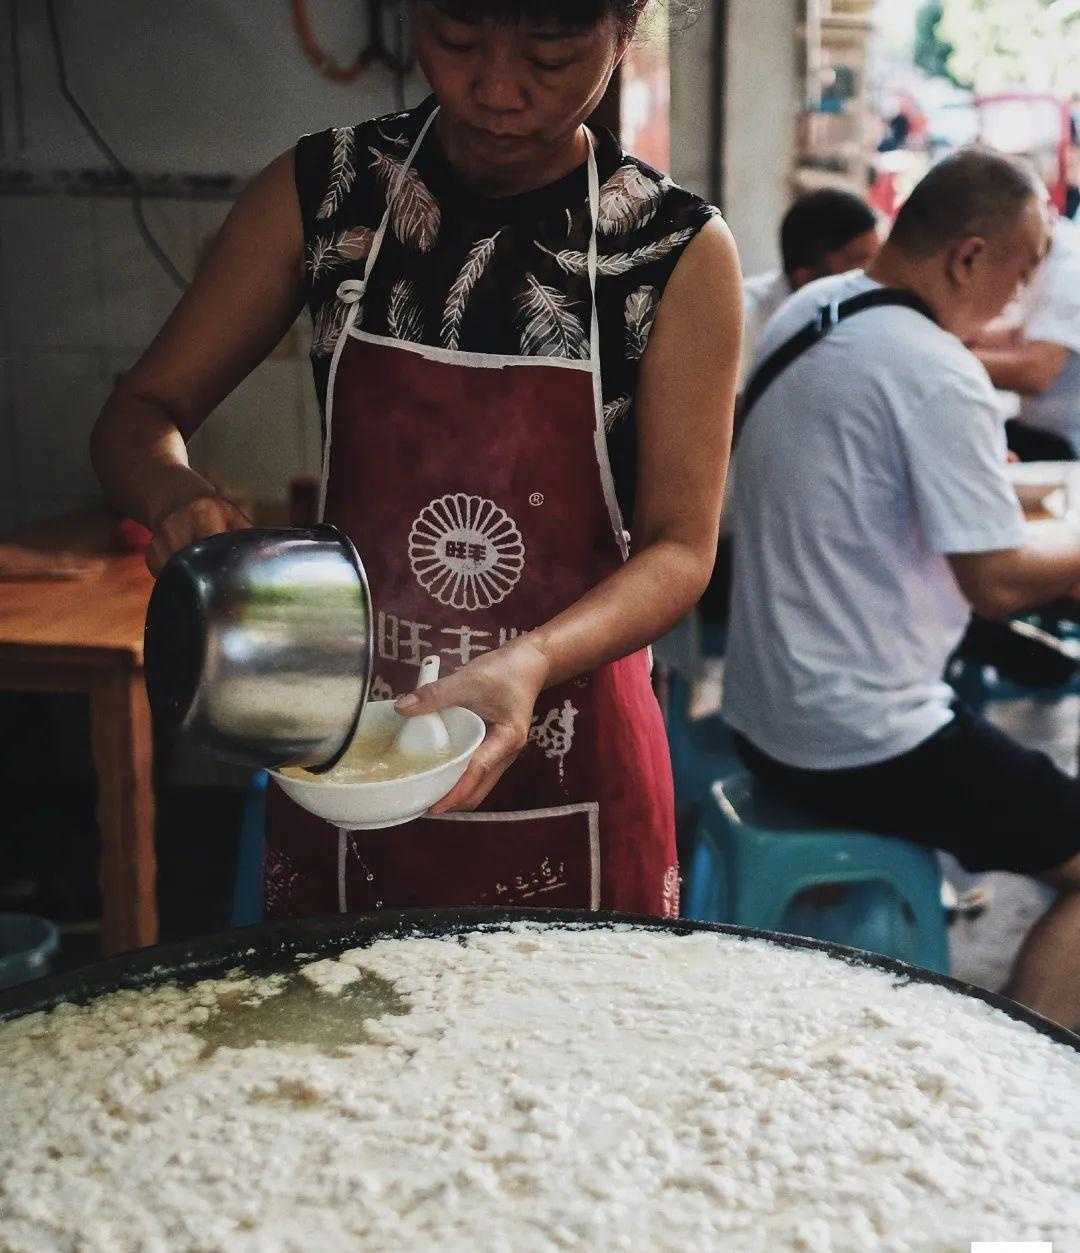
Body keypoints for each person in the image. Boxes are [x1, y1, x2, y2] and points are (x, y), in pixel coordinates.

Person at [90, 0, 741, 919]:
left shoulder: (671, 250)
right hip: (354, 747)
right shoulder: (328, 194)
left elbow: (681, 549)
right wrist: (175, 498)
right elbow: (138, 414)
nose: (498, 88)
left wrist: (530, 660)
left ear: (625, 29)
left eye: (550, 55)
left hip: (571, 748)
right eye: (458, 40)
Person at [723, 149, 1080, 1031]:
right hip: (859, 732)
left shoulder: (816, 307)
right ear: (968, 257)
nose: (1021, 297)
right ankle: (1020, 1089)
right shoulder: (933, 367)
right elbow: (996, 580)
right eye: (1023, 270)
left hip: (765, 709)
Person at [739, 189, 880, 385]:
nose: (872, 276)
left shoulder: (866, 323)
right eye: (860, 263)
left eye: (876, 260)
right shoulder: (742, 321)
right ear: (805, 278)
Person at [973, 214, 1080, 459]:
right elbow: (1022, 335)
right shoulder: (1047, 254)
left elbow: (1034, 374)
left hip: (1063, 443)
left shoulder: (1070, 274)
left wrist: (948, 356)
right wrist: (961, 335)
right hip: (1040, 428)